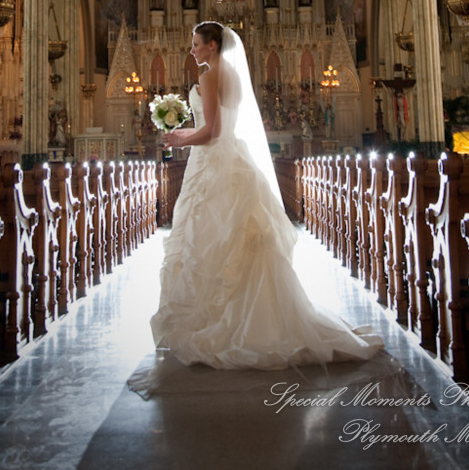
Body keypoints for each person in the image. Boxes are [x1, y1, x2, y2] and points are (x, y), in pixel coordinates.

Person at [133, 21, 383, 375]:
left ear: (213, 46)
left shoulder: (207, 78)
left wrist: (180, 140)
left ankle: (223, 321)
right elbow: (220, 127)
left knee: (212, 239)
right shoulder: (233, 77)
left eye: (196, 44)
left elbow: (213, 131)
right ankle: (258, 318)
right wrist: (188, 132)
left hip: (212, 166)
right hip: (234, 158)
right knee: (240, 239)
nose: (192, 51)